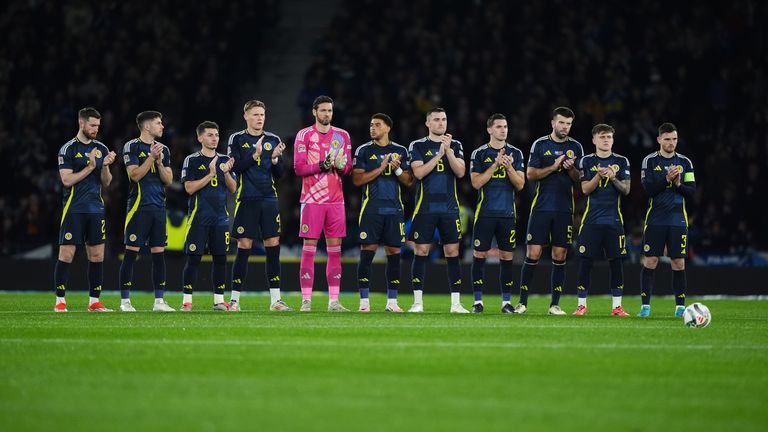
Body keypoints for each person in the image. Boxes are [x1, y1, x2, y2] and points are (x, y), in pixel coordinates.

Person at [515, 106, 583, 315]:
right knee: (533, 253)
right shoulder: (540, 144)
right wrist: (553, 167)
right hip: (542, 207)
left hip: (564, 209)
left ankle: (555, 304)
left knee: (560, 254)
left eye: (568, 123)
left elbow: (581, 180)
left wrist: (571, 169)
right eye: (561, 122)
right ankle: (522, 302)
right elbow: (531, 174)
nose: (565, 127)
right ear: (553, 123)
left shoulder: (576, 147)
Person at [226, 100, 290, 312]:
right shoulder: (237, 139)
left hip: (268, 199)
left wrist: (273, 159)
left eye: (262, 114)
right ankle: (234, 301)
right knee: (244, 247)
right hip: (247, 199)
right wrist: (255, 155)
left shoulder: (273, 139)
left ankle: (276, 300)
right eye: (255, 114)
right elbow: (237, 167)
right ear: (246, 116)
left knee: (273, 245)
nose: (259, 118)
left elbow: (280, 175)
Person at [293, 95, 353, 312]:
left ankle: (334, 301)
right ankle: (306, 300)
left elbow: (348, 170)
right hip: (312, 200)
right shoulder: (304, 135)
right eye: (323, 110)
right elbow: (299, 168)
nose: (327, 114)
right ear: (314, 112)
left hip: (336, 201)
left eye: (330, 111)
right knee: (309, 250)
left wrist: (341, 165)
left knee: (335, 251)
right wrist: (322, 164)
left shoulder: (342, 135)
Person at [54, 107, 117, 312]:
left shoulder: (101, 148)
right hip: (74, 209)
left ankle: (94, 302)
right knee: (66, 255)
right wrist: (90, 167)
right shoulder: (68, 149)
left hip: (96, 209)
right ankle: (60, 301)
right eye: (92, 125)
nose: (95, 129)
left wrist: (105, 166)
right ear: (81, 123)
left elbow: (106, 183)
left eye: (98, 126)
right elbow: (66, 180)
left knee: (97, 256)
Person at [407, 108, 468, 313]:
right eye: (436, 120)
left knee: (452, 252)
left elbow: (460, 172)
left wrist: (448, 151)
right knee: (421, 251)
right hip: (425, 207)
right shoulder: (418, 145)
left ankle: (456, 304)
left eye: (443, 119)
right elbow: (419, 173)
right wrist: (438, 155)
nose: (441, 123)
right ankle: (417, 302)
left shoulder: (456, 145)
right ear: (428, 123)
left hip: (450, 208)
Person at [352, 113, 414, 312]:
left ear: (387, 128)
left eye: (377, 125)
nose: (373, 128)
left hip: (394, 210)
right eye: (371, 125)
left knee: (394, 254)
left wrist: (396, 169)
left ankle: (392, 302)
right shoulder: (363, 150)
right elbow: (357, 180)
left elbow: (409, 181)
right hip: (371, 209)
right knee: (367, 254)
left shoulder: (400, 150)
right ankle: (364, 303)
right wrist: (381, 167)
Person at [118, 111, 175, 312]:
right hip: (138, 208)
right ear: (147, 126)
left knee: (159, 255)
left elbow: (168, 180)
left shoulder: (164, 150)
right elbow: (134, 175)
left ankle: (159, 301)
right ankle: (125, 301)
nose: (162, 126)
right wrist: (151, 158)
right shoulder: (131, 146)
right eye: (159, 123)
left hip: (158, 208)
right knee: (131, 254)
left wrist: (159, 162)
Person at [572, 124, 631, 316]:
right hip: (591, 221)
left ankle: (617, 306)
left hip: (614, 221)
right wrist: (598, 175)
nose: (606, 140)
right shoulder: (586, 161)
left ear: (613, 140)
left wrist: (613, 178)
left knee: (616, 262)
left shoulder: (622, 161)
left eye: (609, 137)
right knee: (585, 262)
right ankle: (581, 305)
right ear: (594, 140)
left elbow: (626, 190)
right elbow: (585, 190)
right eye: (602, 136)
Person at [638, 122, 696, 317]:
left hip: (678, 219)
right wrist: (666, 180)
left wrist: (678, 183)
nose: (671, 143)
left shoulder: (685, 162)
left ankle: (680, 307)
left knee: (678, 262)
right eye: (667, 139)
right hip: (655, 219)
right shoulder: (650, 161)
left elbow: (691, 192)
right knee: (651, 260)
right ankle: (645, 306)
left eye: (674, 139)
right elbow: (648, 191)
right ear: (659, 140)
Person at [469, 114, 525, 313]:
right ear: (490, 130)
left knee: (507, 256)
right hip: (485, 213)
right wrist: (495, 164)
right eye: (499, 126)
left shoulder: (516, 154)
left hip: (507, 214)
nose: (504, 130)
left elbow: (520, 185)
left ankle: (506, 303)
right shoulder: (480, 153)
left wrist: (508, 166)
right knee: (479, 255)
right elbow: (476, 183)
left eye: (506, 126)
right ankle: (477, 302)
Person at [179, 121, 237, 311]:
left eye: (216, 135)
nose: (214, 138)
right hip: (199, 217)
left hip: (220, 218)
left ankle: (219, 301)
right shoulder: (192, 160)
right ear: (200, 137)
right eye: (210, 135)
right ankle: (187, 301)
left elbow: (233, 188)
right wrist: (210, 174)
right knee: (194, 259)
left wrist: (226, 173)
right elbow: (188, 188)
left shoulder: (225, 159)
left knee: (220, 259)